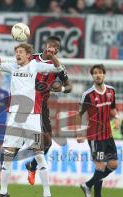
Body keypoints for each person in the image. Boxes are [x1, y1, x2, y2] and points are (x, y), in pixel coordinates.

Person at [0, 43, 64, 197]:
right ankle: (2, 194)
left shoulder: (35, 65)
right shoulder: (12, 66)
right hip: (14, 117)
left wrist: (52, 57)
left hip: (32, 117)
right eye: (16, 52)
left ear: (29, 55)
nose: (17, 54)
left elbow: (59, 68)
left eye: (21, 52)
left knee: (39, 156)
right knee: (7, 156)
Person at [26, 36, 72, 185]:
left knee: (48, 142)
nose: (51, 48)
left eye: (55, 47)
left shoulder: (57, 66)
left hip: (42, 106)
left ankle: (32, 166)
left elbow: (69, 86)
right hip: (25, 103)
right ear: (45, 45)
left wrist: (61, 88)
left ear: (57, 50)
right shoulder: (31, 58)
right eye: (50, 45)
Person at [77, 64, 120, 197]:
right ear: (92, 76)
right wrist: (79, 132)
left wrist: (117, 117)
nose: (98, 75)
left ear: (104, 74)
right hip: (95, 137)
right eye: (95, 73)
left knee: (113, 164)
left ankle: (88, 185)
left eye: (100, 72)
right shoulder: (88, 94)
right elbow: (79, 114)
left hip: (108, 135)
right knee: (100, 166)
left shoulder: (111, 91)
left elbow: (112, 109)